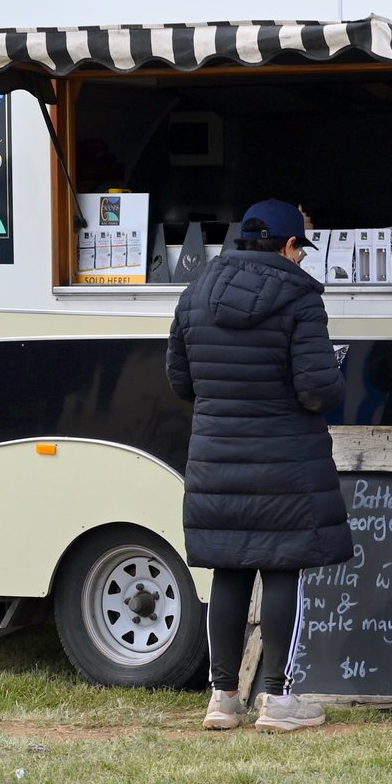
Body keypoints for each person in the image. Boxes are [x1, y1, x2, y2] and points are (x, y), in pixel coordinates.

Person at [166, 198, 351, 733]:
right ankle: (278, 700)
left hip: (217, 458)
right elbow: (317, 389)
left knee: (229, 570)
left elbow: (182, 383)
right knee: (282, 569)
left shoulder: (195, 293)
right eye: (301, 249)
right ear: (290, 247)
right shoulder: (299, 299)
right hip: (285, 461)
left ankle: (223, 699)